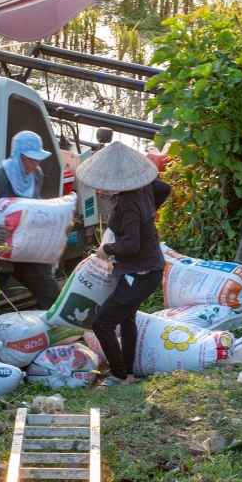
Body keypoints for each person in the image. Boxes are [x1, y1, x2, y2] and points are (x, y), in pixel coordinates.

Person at [75, 142, 165, 387]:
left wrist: (107, 250)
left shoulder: (127, 203)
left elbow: (131, 246)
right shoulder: (144, 185)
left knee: (102, 324)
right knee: (127, 318)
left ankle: (119, 376)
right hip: (148, 266)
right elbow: (164, 188)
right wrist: (149, 215)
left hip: (142, 272)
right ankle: (128, 372)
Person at [0, 131, 62, 310]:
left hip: (24, 248)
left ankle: (53, 333)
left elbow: (33, 203)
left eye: (38, 159)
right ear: (18, 156)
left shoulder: (36, 175)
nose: (35, 163)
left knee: (50, 293)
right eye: (30, 159)